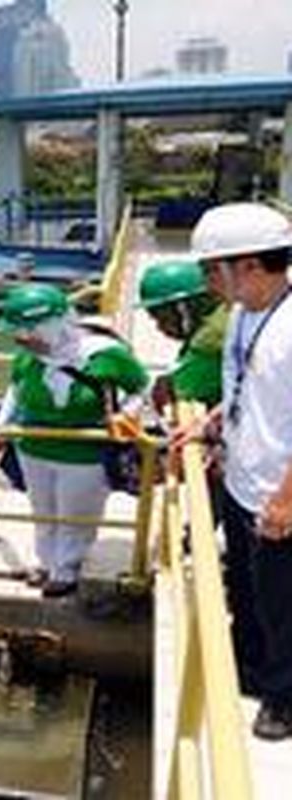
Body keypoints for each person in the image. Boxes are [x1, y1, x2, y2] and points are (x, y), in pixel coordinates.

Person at [179, 202, 292, 739]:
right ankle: (248, 669)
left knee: (283, 605)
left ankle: (284, 698)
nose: (207, 280)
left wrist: (286, 500)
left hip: (279, 496)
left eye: (211, 269)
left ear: (247, 265)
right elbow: (249, 386)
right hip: (245, 484)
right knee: (247, 592)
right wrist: (215, 421)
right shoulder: (247, 315)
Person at [0, 284, 147, 598]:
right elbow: (15, 390)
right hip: (33, 447)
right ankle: (47, 564)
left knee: (76, 515)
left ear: (51, 326)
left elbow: (141, 388)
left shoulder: (102, 354)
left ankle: (68, 570)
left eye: (27, 331)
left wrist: (127, 415)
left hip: (83, 451)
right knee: (44, 511)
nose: (21, 339)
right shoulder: (28, 358)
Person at [138, 259, 226, 409]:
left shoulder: (211, 336)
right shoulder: (225, 314)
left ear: (185, 309)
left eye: (163, 317)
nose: (159, 326)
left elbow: (173, 393)